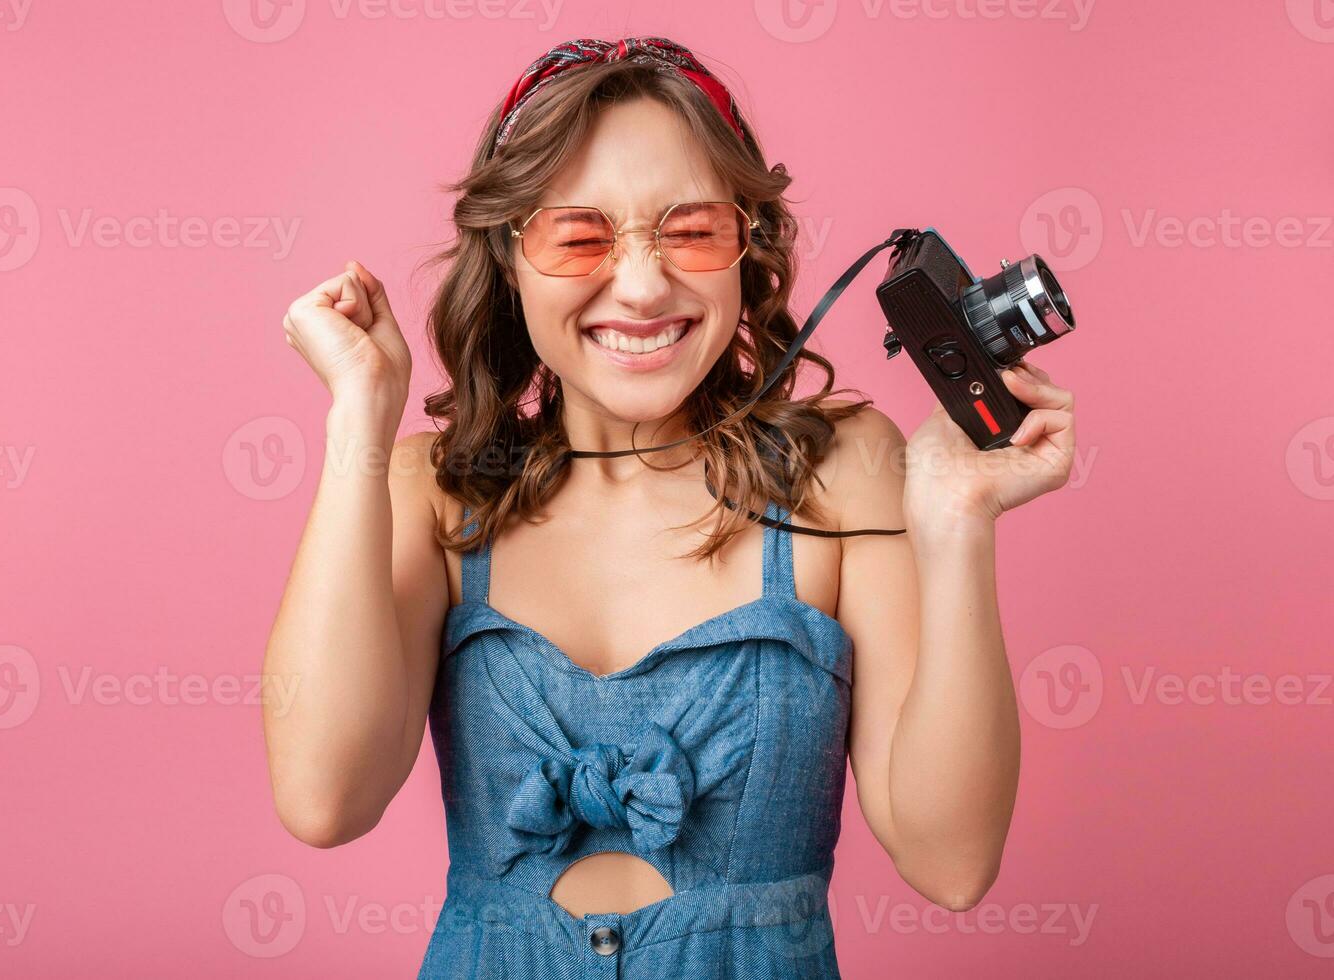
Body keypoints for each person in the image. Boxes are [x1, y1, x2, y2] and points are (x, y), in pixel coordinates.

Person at [263, 36, 1076, 978]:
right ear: (511, 256)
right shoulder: (429, 494)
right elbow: (326, 799)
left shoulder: (846, 472)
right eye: (580, 237)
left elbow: (953, 863)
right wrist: (360, 417)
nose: (644, 286)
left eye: (692, 232)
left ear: (748, 246)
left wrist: (955, 526)